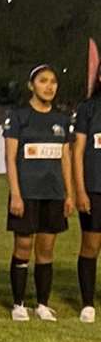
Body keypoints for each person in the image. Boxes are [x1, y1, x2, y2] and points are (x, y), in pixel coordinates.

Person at [4, 64, 73, 321]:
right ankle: (19, 304)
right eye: (43, 81)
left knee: (46, 249)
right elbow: (10, 159)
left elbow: (65, 158)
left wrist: (69, 194)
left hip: (53, 194)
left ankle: (42, 304)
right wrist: (16, 194)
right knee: (23, 246)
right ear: (31, 85)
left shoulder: (62, 119)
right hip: (27, 193)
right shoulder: (19, 116)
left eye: (53, 81)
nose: (49, 86)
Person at [73, 64, 101, 323]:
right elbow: (78, 152)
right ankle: (87, 303)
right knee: (90, 245)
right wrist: (80, 190)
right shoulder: (88, 108)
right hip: (94, 188)